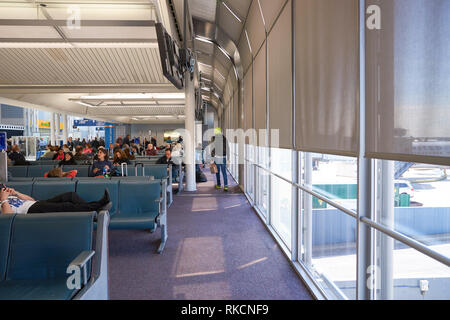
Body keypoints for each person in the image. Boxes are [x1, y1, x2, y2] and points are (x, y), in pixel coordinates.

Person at [0, 186, 111, 215]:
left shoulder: (8, 196)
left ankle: (92, 213)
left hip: (36, 204)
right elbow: (8, 217)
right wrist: (3, 199)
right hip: (30, 212)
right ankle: (98, 205)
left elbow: (31, 199)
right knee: (66, 206)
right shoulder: (2, 201)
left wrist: (15, 193)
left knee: (70, 196)